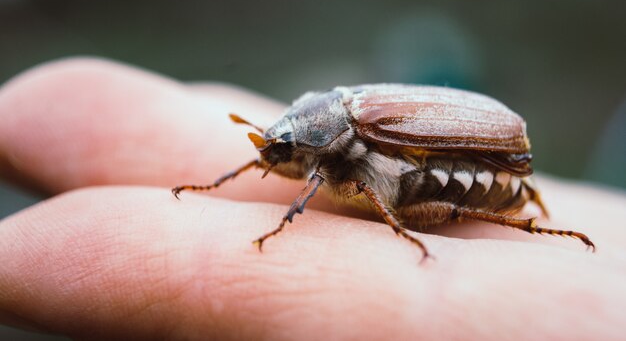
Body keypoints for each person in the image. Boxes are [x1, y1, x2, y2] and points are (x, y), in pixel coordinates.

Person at [0, 58, 623, 339]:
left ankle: (532, 230)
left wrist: (291, 220)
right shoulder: (321, 129)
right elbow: (283, 153)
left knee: (444, 202)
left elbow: (322, 177)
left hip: (467, 165)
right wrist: (222, 181)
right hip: (431, 159)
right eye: (277, 146)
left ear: (316, 133)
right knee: (407, 194)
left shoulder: (346, 141)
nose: (273, 155)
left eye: (283, 146)